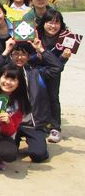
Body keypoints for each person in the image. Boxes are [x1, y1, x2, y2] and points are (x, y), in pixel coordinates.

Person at [0, 38, 60, 163]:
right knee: (7, 154)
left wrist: (41, 50)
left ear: (29, 56)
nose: (19, 57)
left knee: (39, 155)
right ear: (11, 55)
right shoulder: (6, 74)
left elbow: (57, 67)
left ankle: (35, 143)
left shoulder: (36, 73)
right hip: (10, 121)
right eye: (16, 53)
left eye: (23, 54)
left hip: (32, 123)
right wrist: (6, 50)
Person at [36, 9, 71, 142]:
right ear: (43, 23)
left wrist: (63, 58)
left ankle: (55, 127)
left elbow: (59, 66)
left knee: (53, 97)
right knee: (37, 97)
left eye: (57, 23)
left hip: (53, 73)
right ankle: (40, 124)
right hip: (36, 70)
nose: (53, 26)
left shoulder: (65, 40)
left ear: (61, 25)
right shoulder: (36, 36)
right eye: (49, 22)